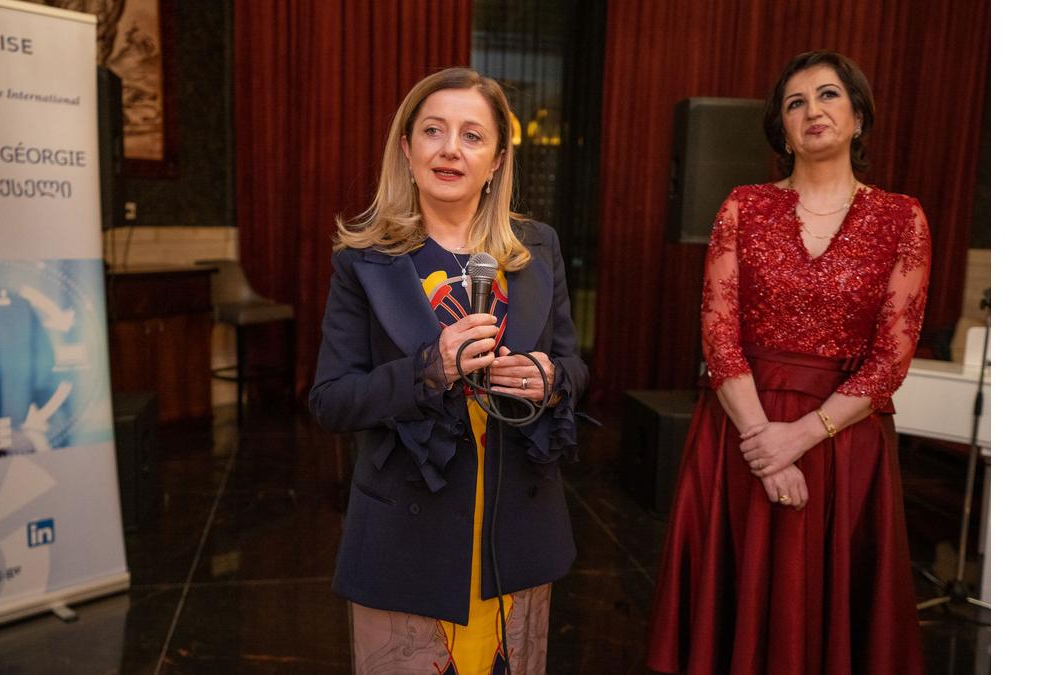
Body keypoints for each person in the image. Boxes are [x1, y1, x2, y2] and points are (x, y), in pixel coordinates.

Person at [646, 51, 929, 674]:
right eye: (795, 103)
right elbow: (718, 336)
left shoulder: (901, 218)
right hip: (740, 431)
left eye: (828, 95)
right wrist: (763, 445)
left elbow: (891, 357)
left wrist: (799, 437)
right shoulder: (743, 207)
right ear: (782, 128)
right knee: (734, 613)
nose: (812, 111)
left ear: (858, 116)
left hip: (843, 443)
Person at [309, 67, 588, 675]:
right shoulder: (364, 261)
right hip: (406, 537)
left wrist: (552, 381)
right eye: (433, 131)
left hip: (518, 527)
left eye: (472, 135)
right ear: (406, 148)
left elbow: (574, 365)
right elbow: (331, 400)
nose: (450, 149)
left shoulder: (537, 249)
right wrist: (428, 369)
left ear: (497, 160)